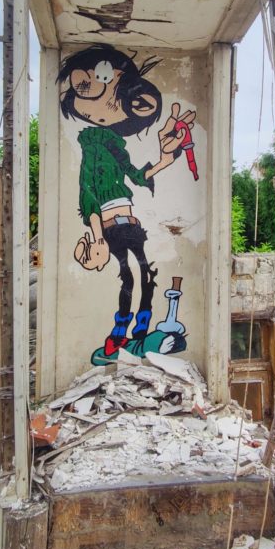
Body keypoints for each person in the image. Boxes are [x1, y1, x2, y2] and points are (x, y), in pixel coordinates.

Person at [58, 45, 195, 358]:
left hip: (130, 223)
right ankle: (120, 333)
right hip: (111, 228)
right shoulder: (92, 146)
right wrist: (96, 237)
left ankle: (140, 331)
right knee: (129, 277)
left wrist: (165, 158)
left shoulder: (115, 145)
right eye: (91, 113)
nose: (99, 115)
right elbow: (87, 191)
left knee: (145, 275)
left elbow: (135, 174)